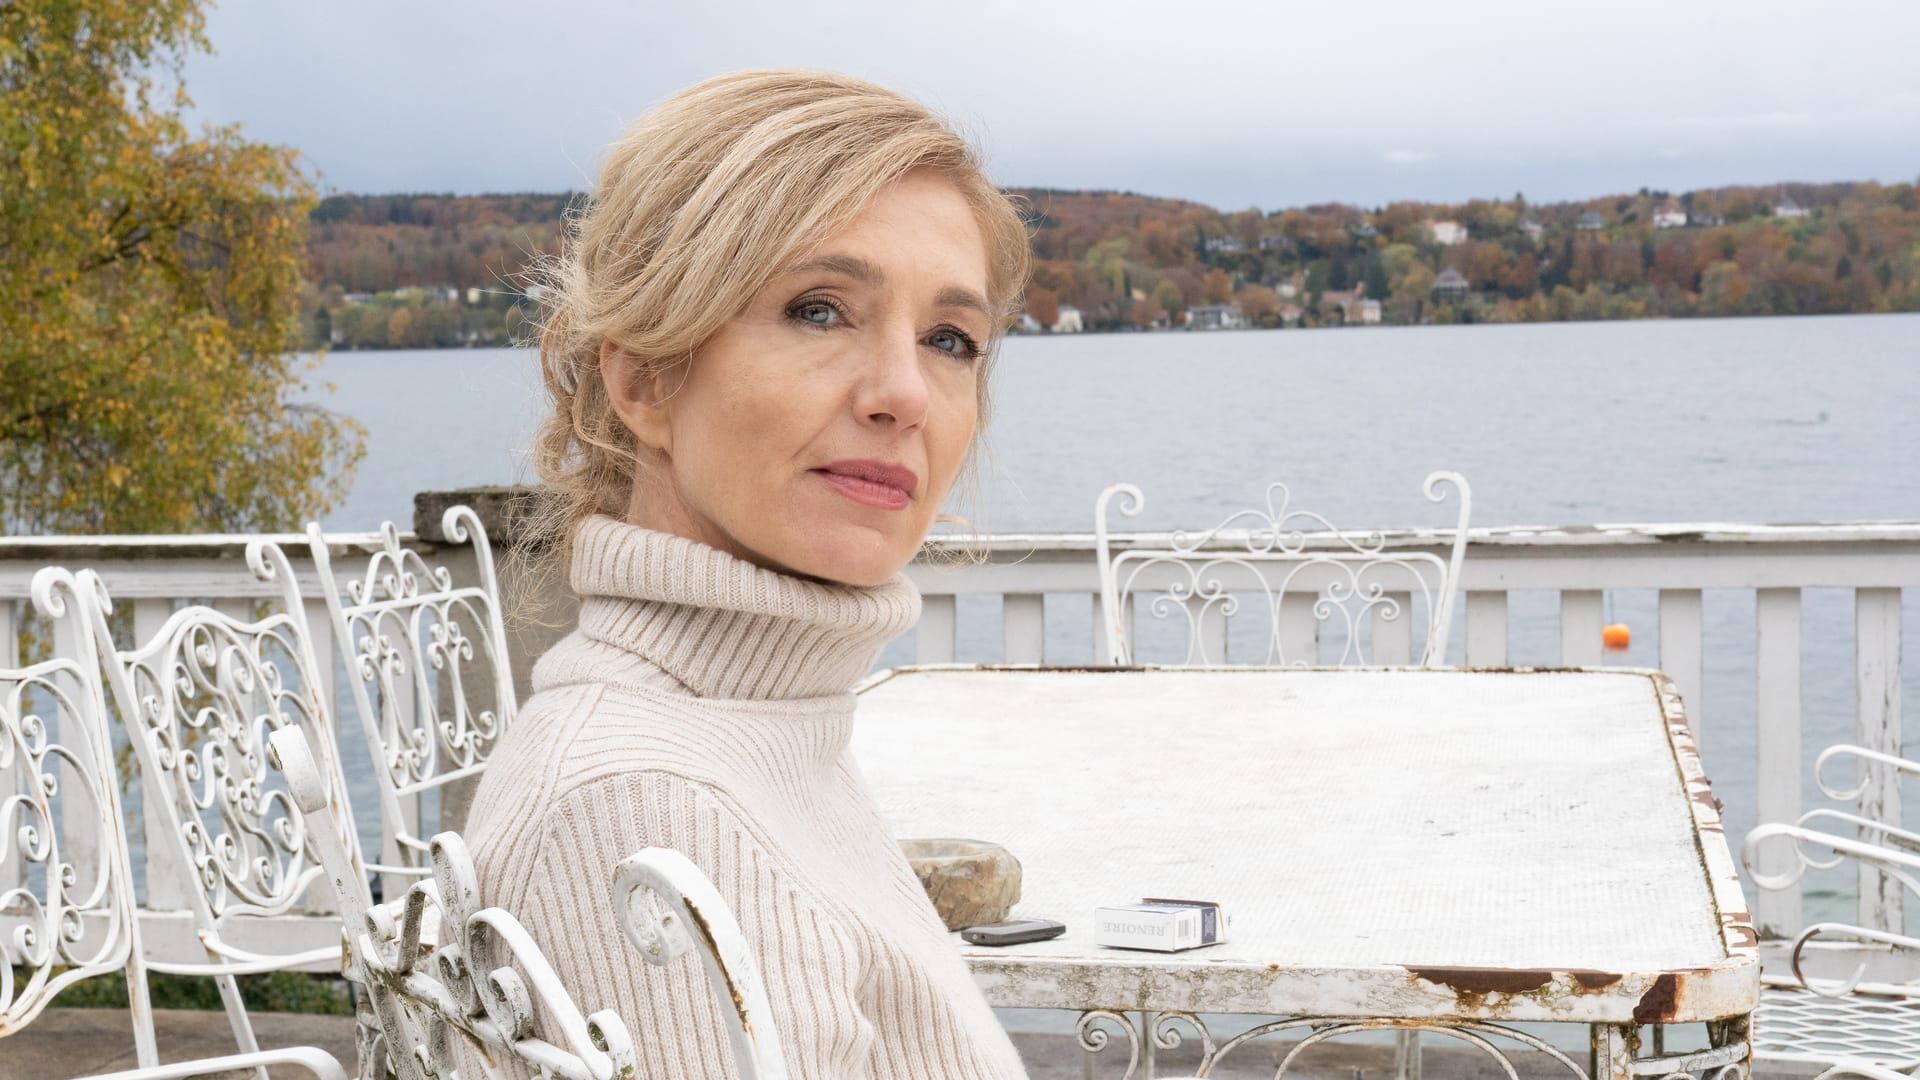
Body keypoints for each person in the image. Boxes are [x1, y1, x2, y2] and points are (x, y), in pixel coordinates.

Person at [465, 69, 1033, 1078]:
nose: (905, 393)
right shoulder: (647, 808)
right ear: (645, 377)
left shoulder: (760, 729)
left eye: (950, 339)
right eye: (820, 311)